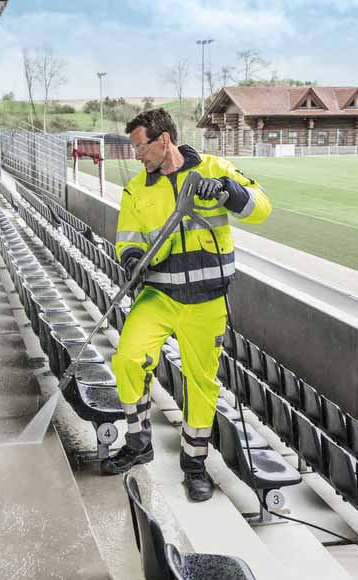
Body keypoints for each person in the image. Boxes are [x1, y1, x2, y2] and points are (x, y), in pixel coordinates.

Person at [101, 108, 271, 502]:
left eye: (140, 147)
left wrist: (229, 192)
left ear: (163, 140)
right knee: (127, 358)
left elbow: (262, 208)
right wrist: (129, 259)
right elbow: (126, 238)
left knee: (201, 384)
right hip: (158, 295)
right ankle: (138, 440)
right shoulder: (137, 190)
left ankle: (195, 465)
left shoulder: (215, 167)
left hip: (207, 301)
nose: (136, 156)